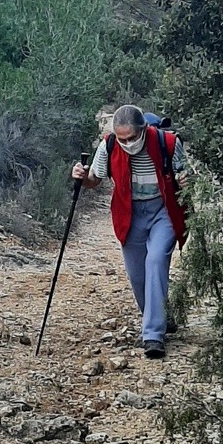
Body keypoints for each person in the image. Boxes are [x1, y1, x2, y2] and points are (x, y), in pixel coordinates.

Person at [72, 104, 189, 359]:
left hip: (163, 210)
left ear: (144, 130)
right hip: (130, 213)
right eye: (122, 139)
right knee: (137, 276)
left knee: (156, 259)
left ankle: (153, 335)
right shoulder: (109, 146)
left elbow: (185, 176)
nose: (127, 144)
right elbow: (95, 180)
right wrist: (82, 177)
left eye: (132, 138)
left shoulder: (167, 143)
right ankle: (159, 315)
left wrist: (186, 180)